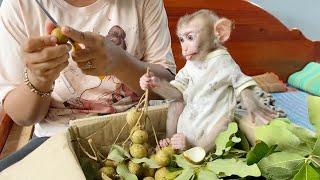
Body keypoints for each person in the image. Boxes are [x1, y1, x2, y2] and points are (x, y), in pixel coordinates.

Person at [0, 0, 175, 171]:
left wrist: (121, 63)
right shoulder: (21, 6)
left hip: (137, 132)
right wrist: (39, 79)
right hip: (58, 137)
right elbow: (23, 116)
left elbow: (167, 90)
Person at [140, 10, 285, 152]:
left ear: (219, 33)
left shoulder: (222, 60)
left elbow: (241, 83)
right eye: (182, 39)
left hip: (211, 128)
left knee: (224, 124)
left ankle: (197, 151)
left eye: (190, 37)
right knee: (175, 104)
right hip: (189, 124)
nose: (184, 47)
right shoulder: (191, 64)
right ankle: (169, 140)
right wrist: (156, 84)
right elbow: (176, 94)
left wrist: (252, 103)